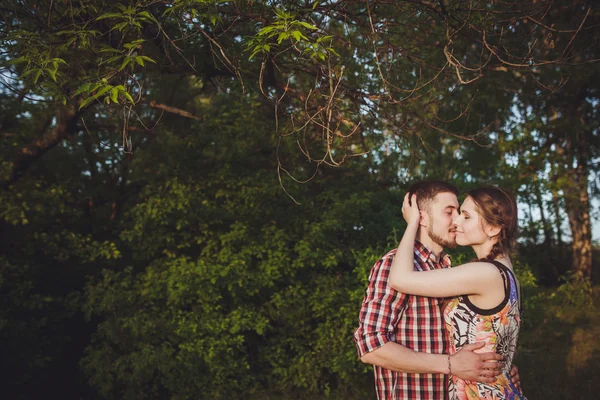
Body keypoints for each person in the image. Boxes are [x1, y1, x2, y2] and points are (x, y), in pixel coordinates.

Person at [353, 181, 520, 400]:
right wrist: (451, 364)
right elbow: (371, 346)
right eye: (449, 212)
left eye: (462, 214)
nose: (456, 221)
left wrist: (501, 367)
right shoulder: (394, 264)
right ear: (421, 217)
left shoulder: (454, 269)